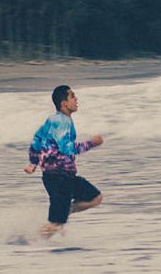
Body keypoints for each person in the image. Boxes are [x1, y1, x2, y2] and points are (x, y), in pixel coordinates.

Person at [24, 85, 104, 237]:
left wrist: (32, 163)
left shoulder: (53, 120)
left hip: (63, 176)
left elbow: (37, 140)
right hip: (58, 177)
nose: (76, 99)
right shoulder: (62, 122)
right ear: (64, 103)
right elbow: (66, 149)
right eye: (72, 96)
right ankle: (30, 241)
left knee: (96, 198)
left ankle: (66, 210)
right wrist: (92, 143)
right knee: (56, 224)